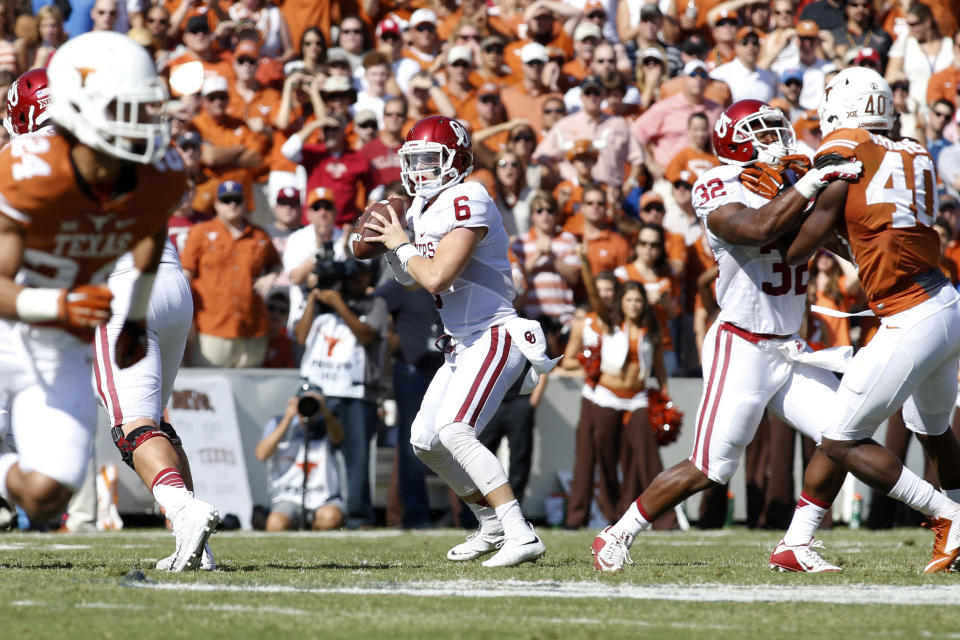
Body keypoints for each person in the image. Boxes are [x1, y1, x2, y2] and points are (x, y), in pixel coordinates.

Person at [590, 98, 863, 573]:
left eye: (779, 128)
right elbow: (759, 227)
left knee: (842, 434)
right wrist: (813, 182)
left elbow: (833, 237)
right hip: (743, 344)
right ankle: (617, 532)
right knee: (710, 468)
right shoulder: (716, 184)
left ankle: (795, 544)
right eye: (762, 131)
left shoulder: (792, 178)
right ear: (733, 140)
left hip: (788, 346)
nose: (777, 138)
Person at [0, 33, 203, 555]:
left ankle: (189, 527)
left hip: (97, 306)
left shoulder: (157, 169)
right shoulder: (26, 172)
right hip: (40, 316)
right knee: (135, 426)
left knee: (132, 427)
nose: (138, 121)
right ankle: (188, 523)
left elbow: (151, 230)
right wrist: (59, 305)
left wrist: (133, 316)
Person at [778, 67, 960, 573]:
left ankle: (951, 517)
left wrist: (778, 214)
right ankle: (795, 543)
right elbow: (868, 227)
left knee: (838, 438)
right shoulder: (914, 149)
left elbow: (798, 250)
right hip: (946, 303)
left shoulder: (845, 150)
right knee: (935, 429)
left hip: (910, 315)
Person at [363, 115, 556, 566]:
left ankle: (519, 531)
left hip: (495, 333)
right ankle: (489, 524)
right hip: (461, 343)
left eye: (431, 158)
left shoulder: (471, 195)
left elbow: (436, 276)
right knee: (424, 441)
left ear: (459, 160)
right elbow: (414, 281)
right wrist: (395, 248)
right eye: (414, 160)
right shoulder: (420, 208)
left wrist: (400, 243)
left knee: (455, 430)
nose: (420, 169)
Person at [295, 259, 387, 529]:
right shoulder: (322, 302)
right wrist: (313, 299)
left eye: (364, 274)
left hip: (356, 392)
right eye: (354, 274)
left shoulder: (376, 305)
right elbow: (301, 337)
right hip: (318, 388)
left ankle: (359, 518)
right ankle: (308, 512)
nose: (359, 279)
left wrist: (339, 305)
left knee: (356, 459)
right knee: (309, 452)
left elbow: (367, 335)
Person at [181, 180, 282, 368]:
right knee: (210, 390)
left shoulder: (260, 235)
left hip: (253, 328)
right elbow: (185, 276)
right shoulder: (200, 232)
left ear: (245, 202)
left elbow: (276, 264)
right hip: (212, 328)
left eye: (236, 200)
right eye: (226, 200)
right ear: (216, 204)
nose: (232, 205)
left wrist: (271, 276)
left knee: (250, 393)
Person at [255, 383, 345, 531]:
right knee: (275, 524)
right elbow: (261, 454)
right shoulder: (279, 423)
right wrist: (288, 418)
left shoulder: (329, 424)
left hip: (323, 498)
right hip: (288, 497)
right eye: (304, 401)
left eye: (313, 402)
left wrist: (325, 411)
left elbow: (338, 439)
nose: (308, 407)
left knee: (331, 519)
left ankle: (313, 528)